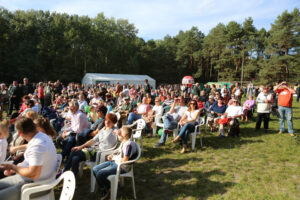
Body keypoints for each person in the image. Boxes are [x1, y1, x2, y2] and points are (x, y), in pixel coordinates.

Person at [0, 117, 57, 200]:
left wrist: (14, 167)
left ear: (20, 133)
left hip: (35, 186)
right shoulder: (41, 137)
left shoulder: (37, 145)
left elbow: (33, 174)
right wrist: (18, 167)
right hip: (31, 180)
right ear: (34, 126)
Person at [92, 126, 138, 199]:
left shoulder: (129, 145)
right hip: (115, 163)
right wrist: (112, 155)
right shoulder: (124, 142)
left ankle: (106, 188)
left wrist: (114, 157)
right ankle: (107, 187)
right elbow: (119, 152)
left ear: (125, 134)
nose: (118, 135)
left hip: (123, 167)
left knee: (100, 173)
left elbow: (125, 160)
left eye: (120, 133)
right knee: (95, 169)